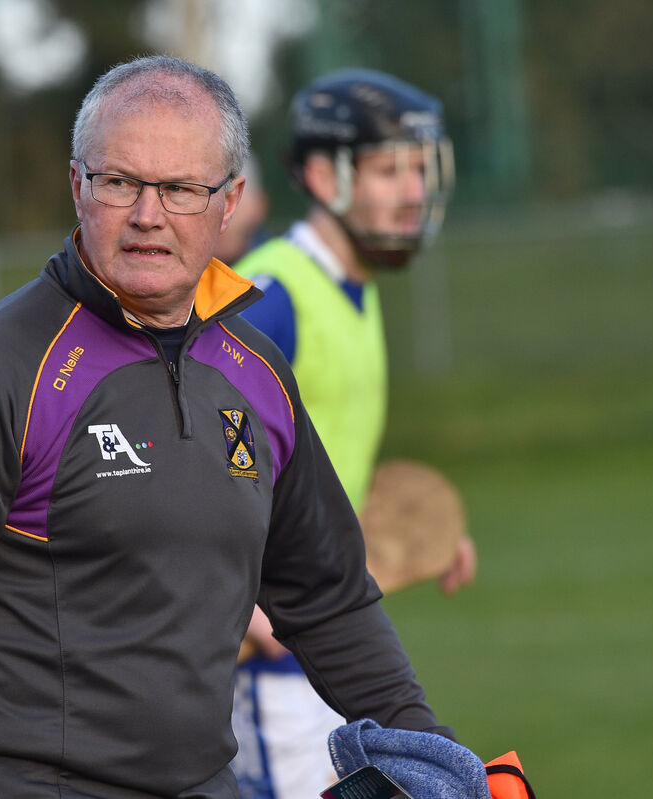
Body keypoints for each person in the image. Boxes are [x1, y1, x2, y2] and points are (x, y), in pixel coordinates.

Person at [0, 55, 459, 799]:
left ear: (228, 203)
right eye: (120, 181)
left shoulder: (256, 375)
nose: (147, 215)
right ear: (78, 187)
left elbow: (329, 599)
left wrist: (434, 756)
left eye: (180, 189)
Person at [229, 69, 478, 798]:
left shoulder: (352, 290)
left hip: (316, 652)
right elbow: (188, 450)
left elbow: (307, 465)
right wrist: (243, 605)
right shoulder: (272, 297)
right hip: (266, 665)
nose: (412, 191)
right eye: (388, 169)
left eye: (419, 169)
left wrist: (411, 534)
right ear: (319, 173)